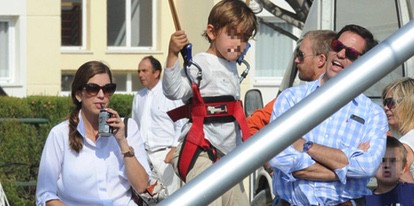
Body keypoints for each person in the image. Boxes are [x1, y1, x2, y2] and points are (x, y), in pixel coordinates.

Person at [269, 24, 388, 205]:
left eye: (351, 53)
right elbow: (278, 158)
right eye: (337, 46)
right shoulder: (291, 99)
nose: (340, 54)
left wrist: (306, 146)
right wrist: (343, 167)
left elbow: (367, 166)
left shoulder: (373, 114)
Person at [162, 0, 257, 205]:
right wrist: (172, 54)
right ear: (212, 32)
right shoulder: (201, 63)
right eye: (233, 35)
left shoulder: (232, 66)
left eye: (245, 37)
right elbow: (174, 91)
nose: (239, 43)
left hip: (228, 156)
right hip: (202, 150)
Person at [36, 61, 150, 205]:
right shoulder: (60, 134)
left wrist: (122, 143)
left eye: (108, 89)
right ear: (78, 94)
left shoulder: (127, 128)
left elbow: (142, 187)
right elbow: (45, 194)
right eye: (92, 89)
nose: (101, 95)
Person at [246, 30, 337, 136]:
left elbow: (250, 127)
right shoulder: (348, 99)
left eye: (300, 55)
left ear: (321, 60)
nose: (296, 60)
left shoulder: (292, 99)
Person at [132, 56, 184, 196]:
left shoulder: (170, 94)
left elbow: (182, 123)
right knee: (147, 198)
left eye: (144, 71)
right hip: (144, 157)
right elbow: (134, 127)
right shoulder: (138, 97)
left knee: (172, 198)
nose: (140, 75)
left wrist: (174, 149)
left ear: (156, 73)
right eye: (139, 71)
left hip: (165, 156)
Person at [364, 136, 414, 206]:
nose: (387, 165)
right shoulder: (363, 199)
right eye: (383, 160)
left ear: (403, 168)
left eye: (393, 161)